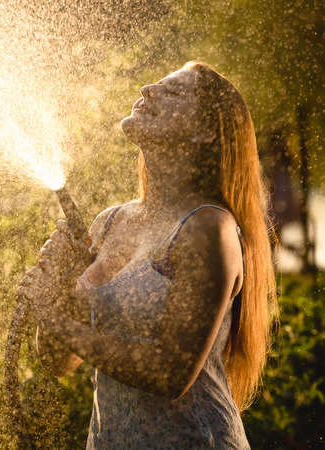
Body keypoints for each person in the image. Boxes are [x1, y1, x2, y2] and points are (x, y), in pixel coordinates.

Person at [16, 61, 277, 449]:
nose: (149, 89)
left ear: (205, 132)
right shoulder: (109, 223)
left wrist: (56, 319)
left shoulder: (208, 229)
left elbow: (170, 374)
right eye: (157, 84)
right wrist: (58, 287)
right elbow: (59, 362)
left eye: (172, 92)